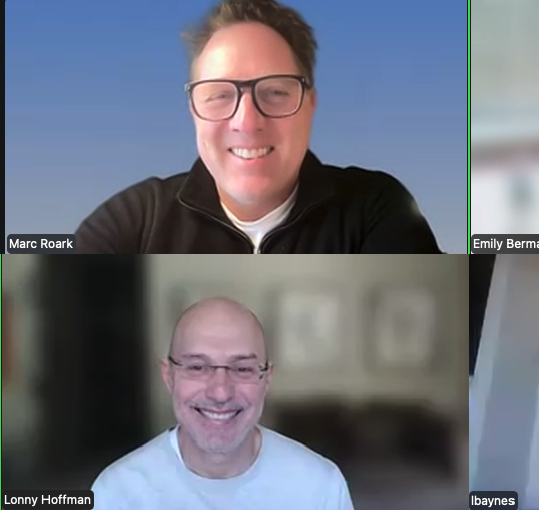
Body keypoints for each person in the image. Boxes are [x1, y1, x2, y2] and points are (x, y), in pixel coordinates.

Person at [74, 0, 440, 254]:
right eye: (219, 96)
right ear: (193, 112)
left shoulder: (375, 211)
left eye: (276, 92)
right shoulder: (132, 224)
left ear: (310, 104)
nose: (247, 122)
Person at [91, 298, 355, 510]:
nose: (220, 392)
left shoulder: (320, 487)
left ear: (267, 379)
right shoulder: (116, 492)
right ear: (168, 376)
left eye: (242, 369)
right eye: (197, 367)